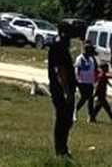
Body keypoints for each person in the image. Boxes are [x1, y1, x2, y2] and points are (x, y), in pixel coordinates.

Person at [48, 26, 76, 157]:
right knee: (63, 119)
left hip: (66, 87)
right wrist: (66, 91)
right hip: (61, 89)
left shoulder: (63, 47)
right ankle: (60, 150)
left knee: (67, 120)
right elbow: (60, 70)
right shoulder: (58, 47)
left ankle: (63, 147)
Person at [76, 42, 99, 122]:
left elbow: (96, 67)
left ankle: (91, 116)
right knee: (84, 97)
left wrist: (95, 80)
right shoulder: (80, 58)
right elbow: (77, 69)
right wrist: (77, 79)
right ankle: (75, 110)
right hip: (82, 81)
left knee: (90, 98)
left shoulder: (91, 59)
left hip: (89, 82)